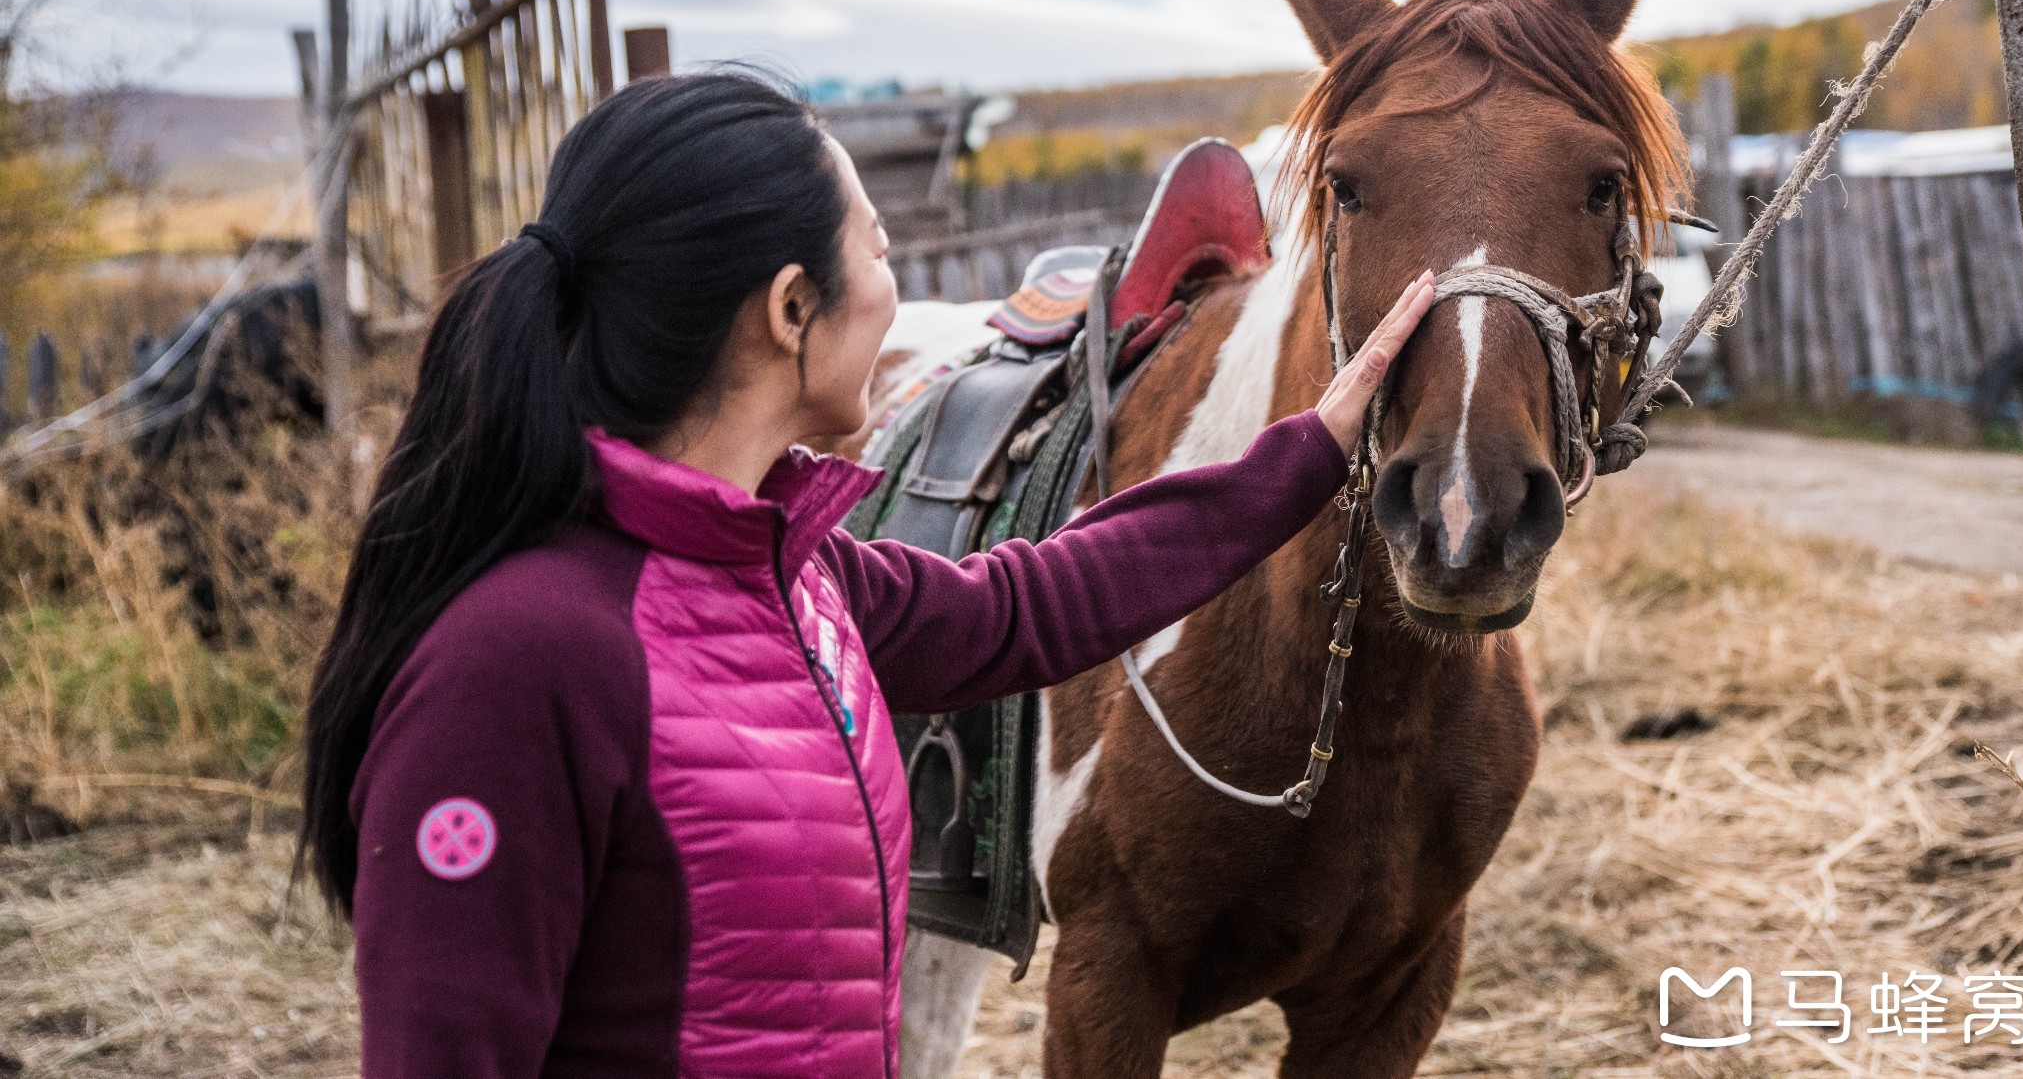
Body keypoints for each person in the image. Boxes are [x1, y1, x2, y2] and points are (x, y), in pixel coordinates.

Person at [297, 70, 1434, 1078]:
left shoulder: (792, 575)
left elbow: (1027, 603)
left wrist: (1304, 454)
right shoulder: (516, 665)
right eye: (878, 252)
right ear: (793, 309)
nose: (896, 289)